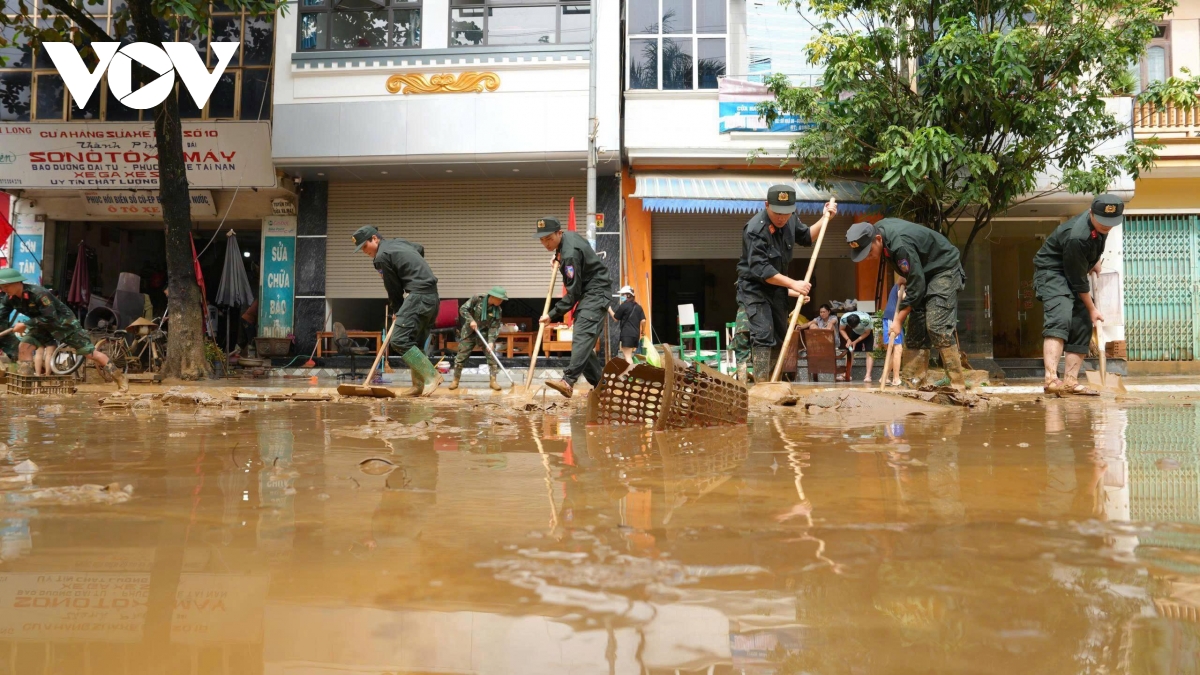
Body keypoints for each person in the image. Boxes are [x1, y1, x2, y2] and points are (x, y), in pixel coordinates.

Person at [846, 218, 967, 390]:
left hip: (943, 269)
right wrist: (907, 273)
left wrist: (898, 320)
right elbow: (912, 269)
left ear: (878, 239)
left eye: (869, 251)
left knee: (936, 326)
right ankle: (913, 385)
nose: (867, 257)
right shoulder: (880, 233)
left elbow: (917, 285)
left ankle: (957, 386)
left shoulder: (898, 245)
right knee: (916, 331)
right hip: (923, 272)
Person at [735, 186, 837, 383]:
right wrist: (794, 284)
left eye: (786, 213)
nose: (782, 218)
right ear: (766, 206)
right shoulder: (755, 229)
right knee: (763, 333)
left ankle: (775, 383)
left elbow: (807, 236)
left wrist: (826, 219)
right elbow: (762, 270)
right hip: (754, 289)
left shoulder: (791, 220)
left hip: (777, 289)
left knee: (781, 335)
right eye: (777, 213)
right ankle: (762, 385)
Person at [1033, 194, 1123, 396]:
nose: (1106, 226)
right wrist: (1092, 308)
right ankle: (1051, 380)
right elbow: (1077, 280)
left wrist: (1094, 260)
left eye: (1110, 223)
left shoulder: (1102, 225)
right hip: (1053, 272)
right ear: (1091, 213)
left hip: (1074, 269)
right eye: (1102, 222)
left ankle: (1070, 382)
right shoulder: (1077, 235)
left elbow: (1093, 248)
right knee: (1061, 317)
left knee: (1082, 322)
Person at [352, 225, 443, 397]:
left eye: (365, 246)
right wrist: (411, 271)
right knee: (414, 342)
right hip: (432, 297)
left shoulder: (381, 257)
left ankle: (432, 375)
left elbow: (393, 288)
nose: (364, 251)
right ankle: (419, 386)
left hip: (418, 297)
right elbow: (419, 249)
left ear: (375, 238)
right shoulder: (398, 243)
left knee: (399, 340)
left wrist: (398, 308)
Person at [0, 268, 126, 391]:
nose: (4, 289)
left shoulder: (38, 294)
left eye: (7, 286)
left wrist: (26, 325)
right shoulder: (9, 298)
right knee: (24, 347)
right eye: (2, 286)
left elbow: (50, 317)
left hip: (64, 325)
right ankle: (26, 389)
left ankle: (120, 380)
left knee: (91, 353)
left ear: (18, 282)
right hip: (40, 326)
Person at [535, 217, 613, 398]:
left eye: (549, 238)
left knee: (581, 338)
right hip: (591, 292)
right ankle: (602, 388)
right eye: (542, 239)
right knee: (583, 344)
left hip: (594, 293)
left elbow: (573, 294)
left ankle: (568, 381)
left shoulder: (569, 254)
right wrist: (557, 256)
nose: (546, 243)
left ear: (559, 233)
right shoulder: (568, 239)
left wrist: (552, 314)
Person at [449, 285, 507, 392]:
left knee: (491, 355)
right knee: (461, 356)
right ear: (493, 297)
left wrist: (490, 342)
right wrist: (471, 320)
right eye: (500, 299)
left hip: (484, 333)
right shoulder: (477, 299)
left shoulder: (497, 310)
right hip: (470, 332)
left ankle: (493, 381)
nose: (501, 301)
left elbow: (494, 326)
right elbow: (463, 309)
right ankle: (455, 380)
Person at [608, 285, 646, 366]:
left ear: (628, 295)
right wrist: (643, 331)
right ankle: (629, 374)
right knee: (629, 355)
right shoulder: (638, 307)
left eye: (623, 295)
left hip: (627, 334)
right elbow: (643, 321)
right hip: (636, 335)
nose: (621, 296)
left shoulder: (624, 306)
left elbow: (615, 318)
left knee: (627, 357)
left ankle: (632, 374)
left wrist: (609, 309)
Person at [878, 281, 905, 386]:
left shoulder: (902, 284)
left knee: (895, 350)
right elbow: (901, 296)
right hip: (892, 317)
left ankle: (883, 377)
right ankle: (896, 378)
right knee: (898, 348)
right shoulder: (901, 284)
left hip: (896, 318)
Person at [840, 306, 875, 383]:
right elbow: (841, 329)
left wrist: (855, 341)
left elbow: (867, 333)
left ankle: (868, 375)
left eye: (855, 326)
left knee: (869, 352)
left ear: (859, 322)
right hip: (855, 333)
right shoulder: (844, 318)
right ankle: (846, 373)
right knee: (850, 350)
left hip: (867, 333)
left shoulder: (865, 320)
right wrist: (848, 340)